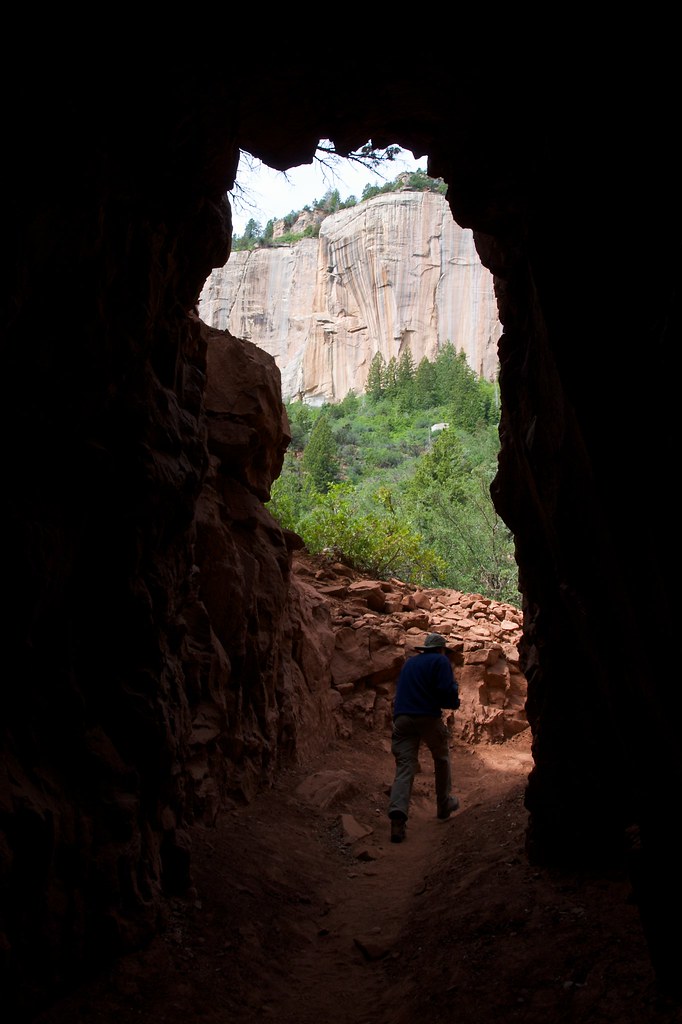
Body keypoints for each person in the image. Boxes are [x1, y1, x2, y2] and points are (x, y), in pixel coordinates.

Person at [388, 632, 461, 843]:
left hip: (402, 718)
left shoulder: (410, 663)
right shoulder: (441, 661)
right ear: (441, 650)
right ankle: (443, 804)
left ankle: (398, 817)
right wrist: (453, 699)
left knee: (405, 766)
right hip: (427, 716)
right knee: (441, 757)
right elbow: (445, 691)